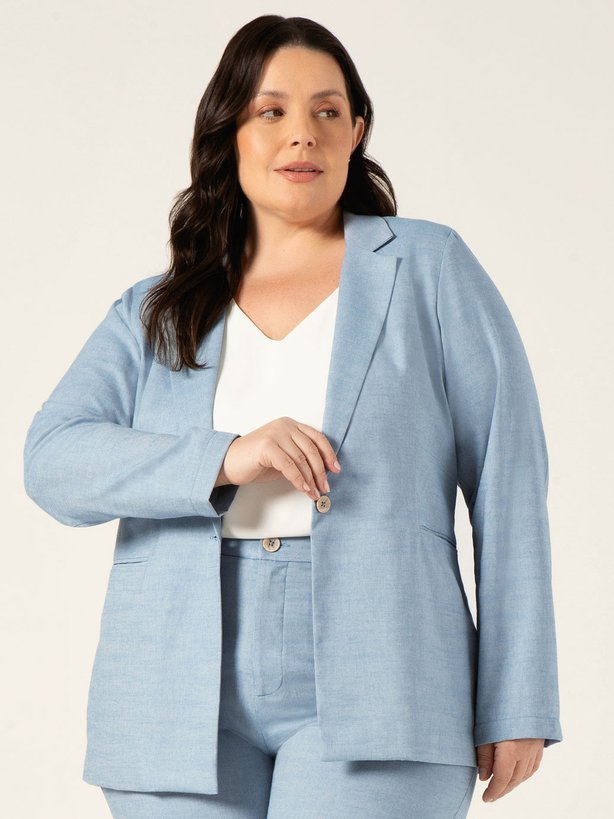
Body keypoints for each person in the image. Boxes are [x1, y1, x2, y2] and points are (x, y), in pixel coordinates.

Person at [23, 14, 563, 819]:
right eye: (271, 111)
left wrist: (518, 697)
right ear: (230, 133)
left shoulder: (428, 267)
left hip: (388, 671)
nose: (302, 134)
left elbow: (508, 480)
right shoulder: (156, 309)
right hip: (173, 682)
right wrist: (226, 456)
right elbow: (52, 460)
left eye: (327, 111)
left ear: (356, 133)